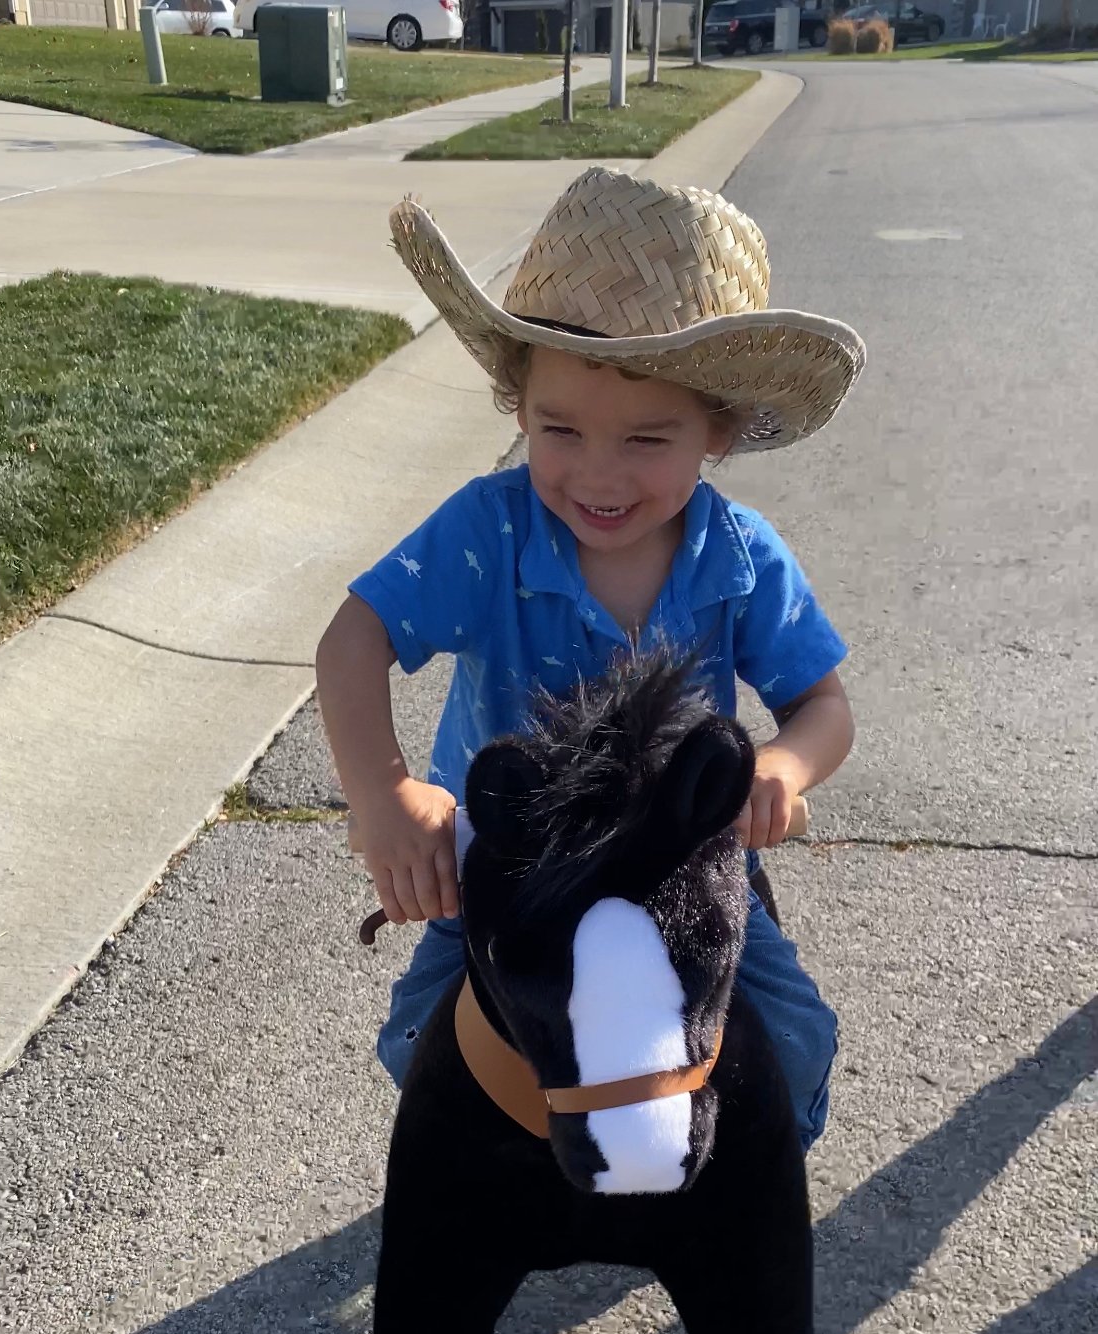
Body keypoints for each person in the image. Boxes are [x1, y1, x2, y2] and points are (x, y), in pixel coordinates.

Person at [316, 167, 865, 1153]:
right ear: (516, 404)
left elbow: (824, 705)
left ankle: (740, 1179)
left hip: (685, 861)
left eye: (648, 439)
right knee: (417, 1043)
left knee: (793, 1039)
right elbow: (352, 640)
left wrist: (783, 768)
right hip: (504, 863)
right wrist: (382, 796)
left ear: (720, 430)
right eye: (559, 430)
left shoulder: (739, 560)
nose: (600, 474)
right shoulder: (488, 531)